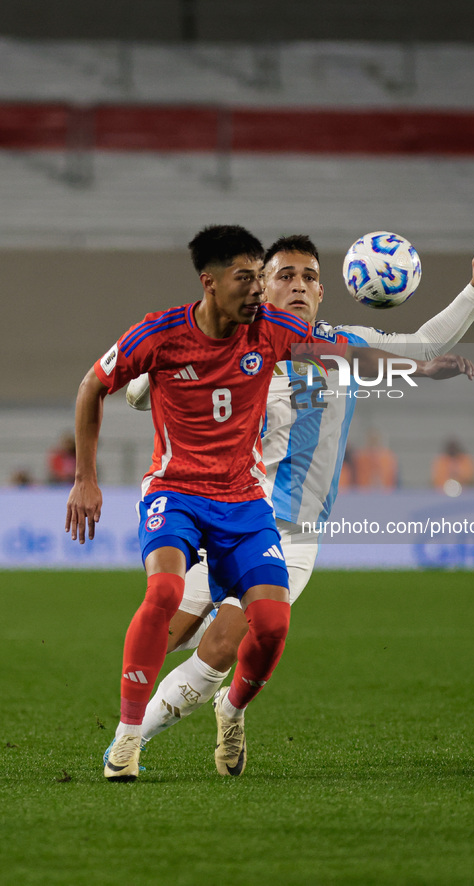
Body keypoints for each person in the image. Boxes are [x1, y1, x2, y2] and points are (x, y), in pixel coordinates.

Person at [131, 232, 474, 775]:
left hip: (293, 533)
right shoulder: (235, 342)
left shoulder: (348, 343)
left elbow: (424, 344)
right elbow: (173, 364)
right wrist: (148, 378)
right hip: (226, 511)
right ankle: (176, 714)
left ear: (323, 291)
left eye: (309, 277)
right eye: (284, 275)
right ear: (260, 286)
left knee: (220, 647)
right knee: (167, 635)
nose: (298, 285)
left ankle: (144, 742)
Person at [66, 224, 376, 782]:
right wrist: (86, 477)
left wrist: (425, 359)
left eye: (264, 278)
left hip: (250, 506)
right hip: (177, 491)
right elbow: (94, 384)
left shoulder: (276, 331)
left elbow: (362, 352)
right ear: (210, 284)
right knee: (165, 599)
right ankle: (127, 740)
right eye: (249, 278)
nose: (259, 290)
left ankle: (230, 711)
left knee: (272, 626)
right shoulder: (160, 333)